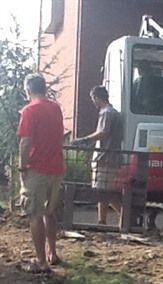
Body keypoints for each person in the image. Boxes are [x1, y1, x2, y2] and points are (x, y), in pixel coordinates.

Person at [17, 73, 66, 273]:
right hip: (57, 167)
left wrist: (22, 166)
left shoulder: (29, 110)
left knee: (35, 214)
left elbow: (25, 141)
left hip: (37, 169)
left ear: (28, 90)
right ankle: (52, 253)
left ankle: (40, 261)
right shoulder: (56, 108)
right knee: (49, 211)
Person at [74, 86, 124, 225]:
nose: (93, 102)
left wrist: (84, 140)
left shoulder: (107, 113)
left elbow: (103, 132)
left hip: (106, 157)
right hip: (109, 156)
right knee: (104, 190)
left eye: (93, 99)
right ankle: (106, 220)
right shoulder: (112, 112)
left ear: (97, 97)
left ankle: (116, 217)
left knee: (103, 191)